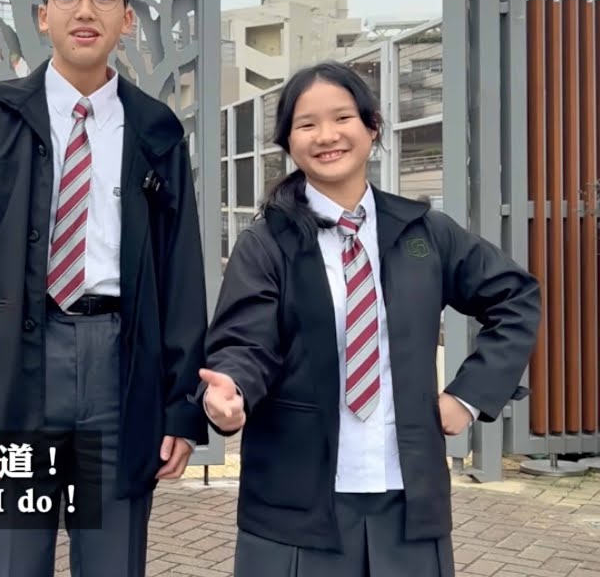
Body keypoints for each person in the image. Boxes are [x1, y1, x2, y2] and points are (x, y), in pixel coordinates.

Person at [0, 0, 209, 576]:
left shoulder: (157, 131)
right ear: (42, 16)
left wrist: (181, 406)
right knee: (4, 562)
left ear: (127, 18)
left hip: (119, 365)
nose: (86, 11)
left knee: (113, 561)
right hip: (18, 367)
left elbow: (181, 276)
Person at [198, 61, 540, 576]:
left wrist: (469, 396)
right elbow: (246, 341)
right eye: (307, 124)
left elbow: (515, 297)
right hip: (295, 502)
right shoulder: (267, 242)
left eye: (342, 118)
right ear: (288, 141)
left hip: (407, 500)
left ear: (372, 126)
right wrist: (232, 392)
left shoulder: (424, 232)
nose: (326, 136)